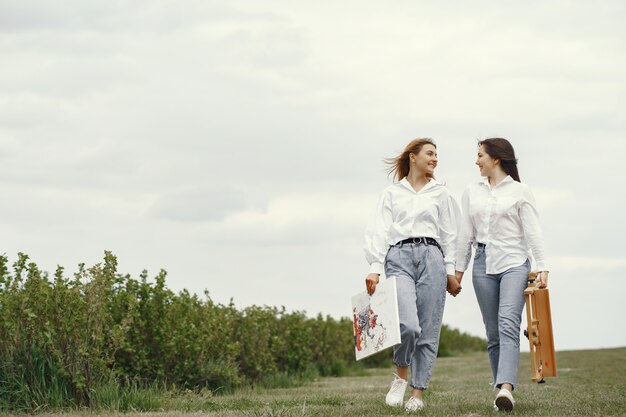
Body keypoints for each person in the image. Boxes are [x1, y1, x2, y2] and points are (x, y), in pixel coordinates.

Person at [364, 138, 460, 413]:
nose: (435, 159)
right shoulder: (392, 193)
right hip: (399, 256)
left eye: (436, 155)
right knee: (408, 325)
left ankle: (418, 394)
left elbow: (450, 234)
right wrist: (374, 267)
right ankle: (401, 375)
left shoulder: (441, 193)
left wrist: (451, 272)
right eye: (430, 154)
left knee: (428, 332)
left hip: (432, 257)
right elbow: (379, 230)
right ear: (413, 157)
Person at [454, 138, 549, 412]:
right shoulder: (472, 191)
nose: (476, 161)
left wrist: (543, 267)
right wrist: (458, 272)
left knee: (508, 323)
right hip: (482, 265)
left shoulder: (520, 191)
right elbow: (465, 235)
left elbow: (533, 232)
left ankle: (506, 388)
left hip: (514, 263)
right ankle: (500, 392)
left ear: (496, 158)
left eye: (480, 155)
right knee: (493, 333)